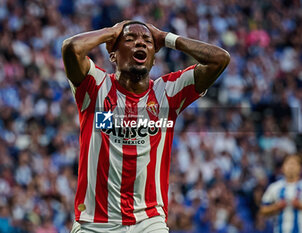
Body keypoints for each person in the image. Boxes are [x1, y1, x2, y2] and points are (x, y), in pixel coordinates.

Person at [61, 20, 230, 232]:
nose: (140, 44)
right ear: (113, 55)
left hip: (149, 222)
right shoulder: (95, 86)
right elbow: (70, 48)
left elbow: (220, 59)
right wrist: (111, 32)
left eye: (147, 41)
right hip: (94, 223)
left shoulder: (167, 92)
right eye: (129, 40)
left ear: (153, 59)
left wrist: (166, 38)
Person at [260, 155, 302, 233]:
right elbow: (263, 210)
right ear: (283, 167)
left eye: (294, 164)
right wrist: (276, 207)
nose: (291, 167)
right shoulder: (274, 187)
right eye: (289, 164)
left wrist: (299, 205)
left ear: (300, 168)